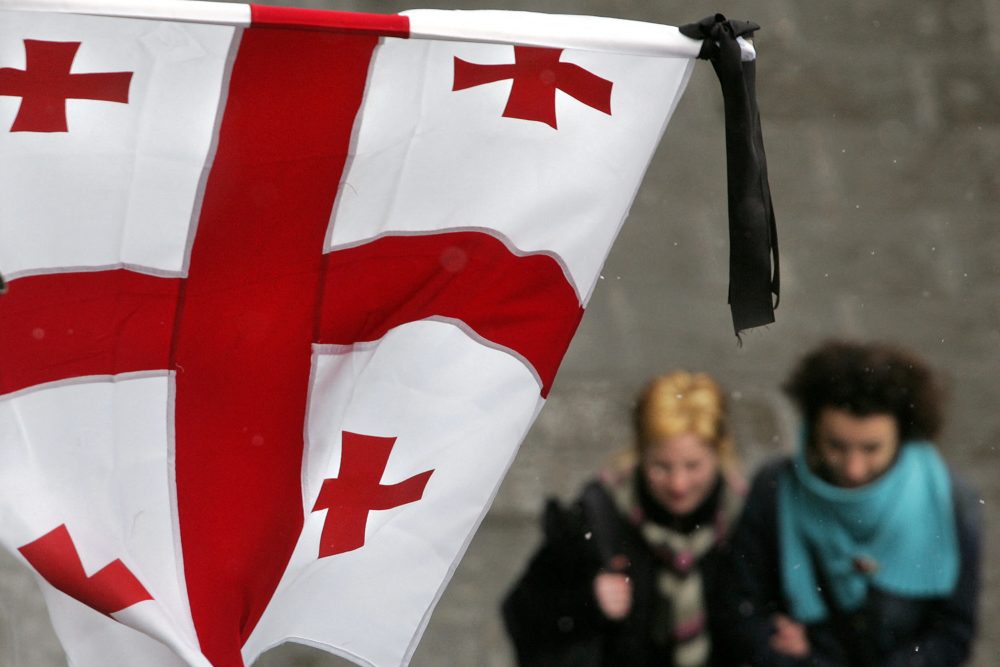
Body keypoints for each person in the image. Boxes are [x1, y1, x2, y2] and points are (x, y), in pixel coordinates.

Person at [725, 340, 982, 666]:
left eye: (871, 448)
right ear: (813, 432)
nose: (853, 468)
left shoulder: (951, 499)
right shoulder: (773, 489)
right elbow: (741, 612)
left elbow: (953, 633)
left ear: (902, 438)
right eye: (836, 446)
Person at [502, 371, 745, 667]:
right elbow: (524, 610)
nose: (678, 484)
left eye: (693, 466)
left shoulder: (745, 518)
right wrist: (587, 601)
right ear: (641, 453)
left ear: (719, 454)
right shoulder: (597, 517)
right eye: (662, 467)